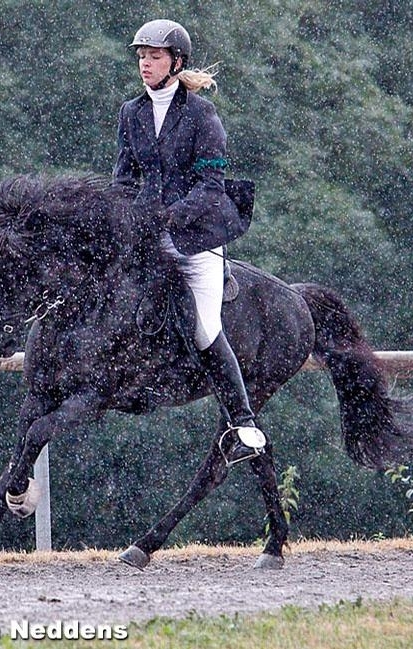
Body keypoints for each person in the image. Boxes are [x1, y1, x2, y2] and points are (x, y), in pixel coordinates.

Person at [113, 19, 266, 466]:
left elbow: (211, 185)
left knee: (204, 326)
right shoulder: (131, 112)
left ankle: (243, 424)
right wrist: (119, 216)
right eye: (141, 56)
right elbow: (124, 179)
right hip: (145, 233)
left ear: (176, 63)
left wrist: (170, 217)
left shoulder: (201, 115)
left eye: (154, 56)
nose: (145, 63)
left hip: (195, 235)